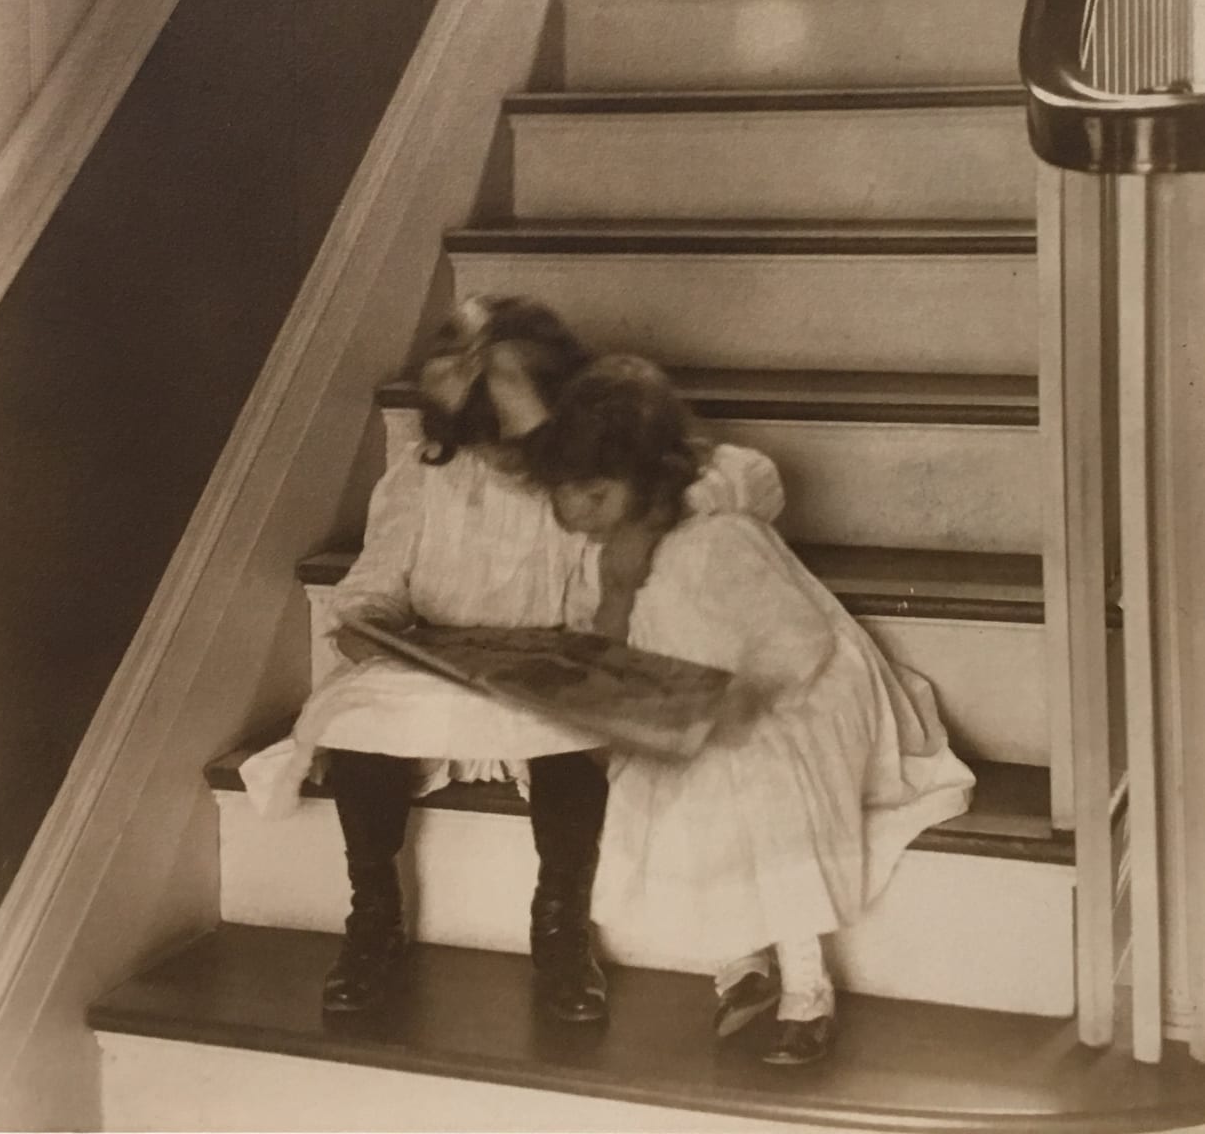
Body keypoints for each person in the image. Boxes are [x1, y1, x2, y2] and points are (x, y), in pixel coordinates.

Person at [239, 298, 785, 1027]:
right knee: (356, 714)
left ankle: (558, 927)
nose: (498, 457)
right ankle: (373, 917)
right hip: (438, 664)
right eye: (478, 439)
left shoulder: (592, 473)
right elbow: (371, 587)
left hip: (548, 666)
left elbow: (748, 484)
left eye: (513, 438)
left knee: (569, 733)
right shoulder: (422, 477)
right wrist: (372, 630)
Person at [526, 355, 975, 1067]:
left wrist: (742, 699)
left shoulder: (717, 539)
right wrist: (617, 598)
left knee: (761, 795)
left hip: (790, 696)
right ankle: (741, 960)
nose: (571, 511)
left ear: (645, 484)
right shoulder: (599, 560)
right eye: (564, 492)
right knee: (676, 794)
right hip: (690, 709)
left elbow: (798, 638)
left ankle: (807, 986)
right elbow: (602, 649)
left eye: (593, 492)